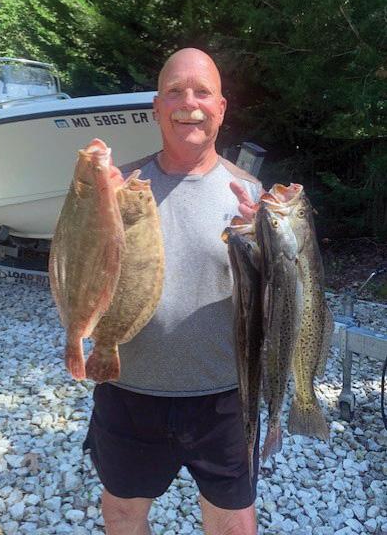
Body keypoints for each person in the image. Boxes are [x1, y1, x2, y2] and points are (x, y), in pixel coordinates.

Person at [83, 48, 263, 535]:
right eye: (175, 92)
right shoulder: (121, 188)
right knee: (122, 515)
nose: (189, 103)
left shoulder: (250, 194)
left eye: (203, 92)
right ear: (156, 107)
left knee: (234, 524)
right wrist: (91, 204)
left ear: (221, 108)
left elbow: (272, 302)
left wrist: (263, 244)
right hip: (128, 390)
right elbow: (80, 269)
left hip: (224, 397)